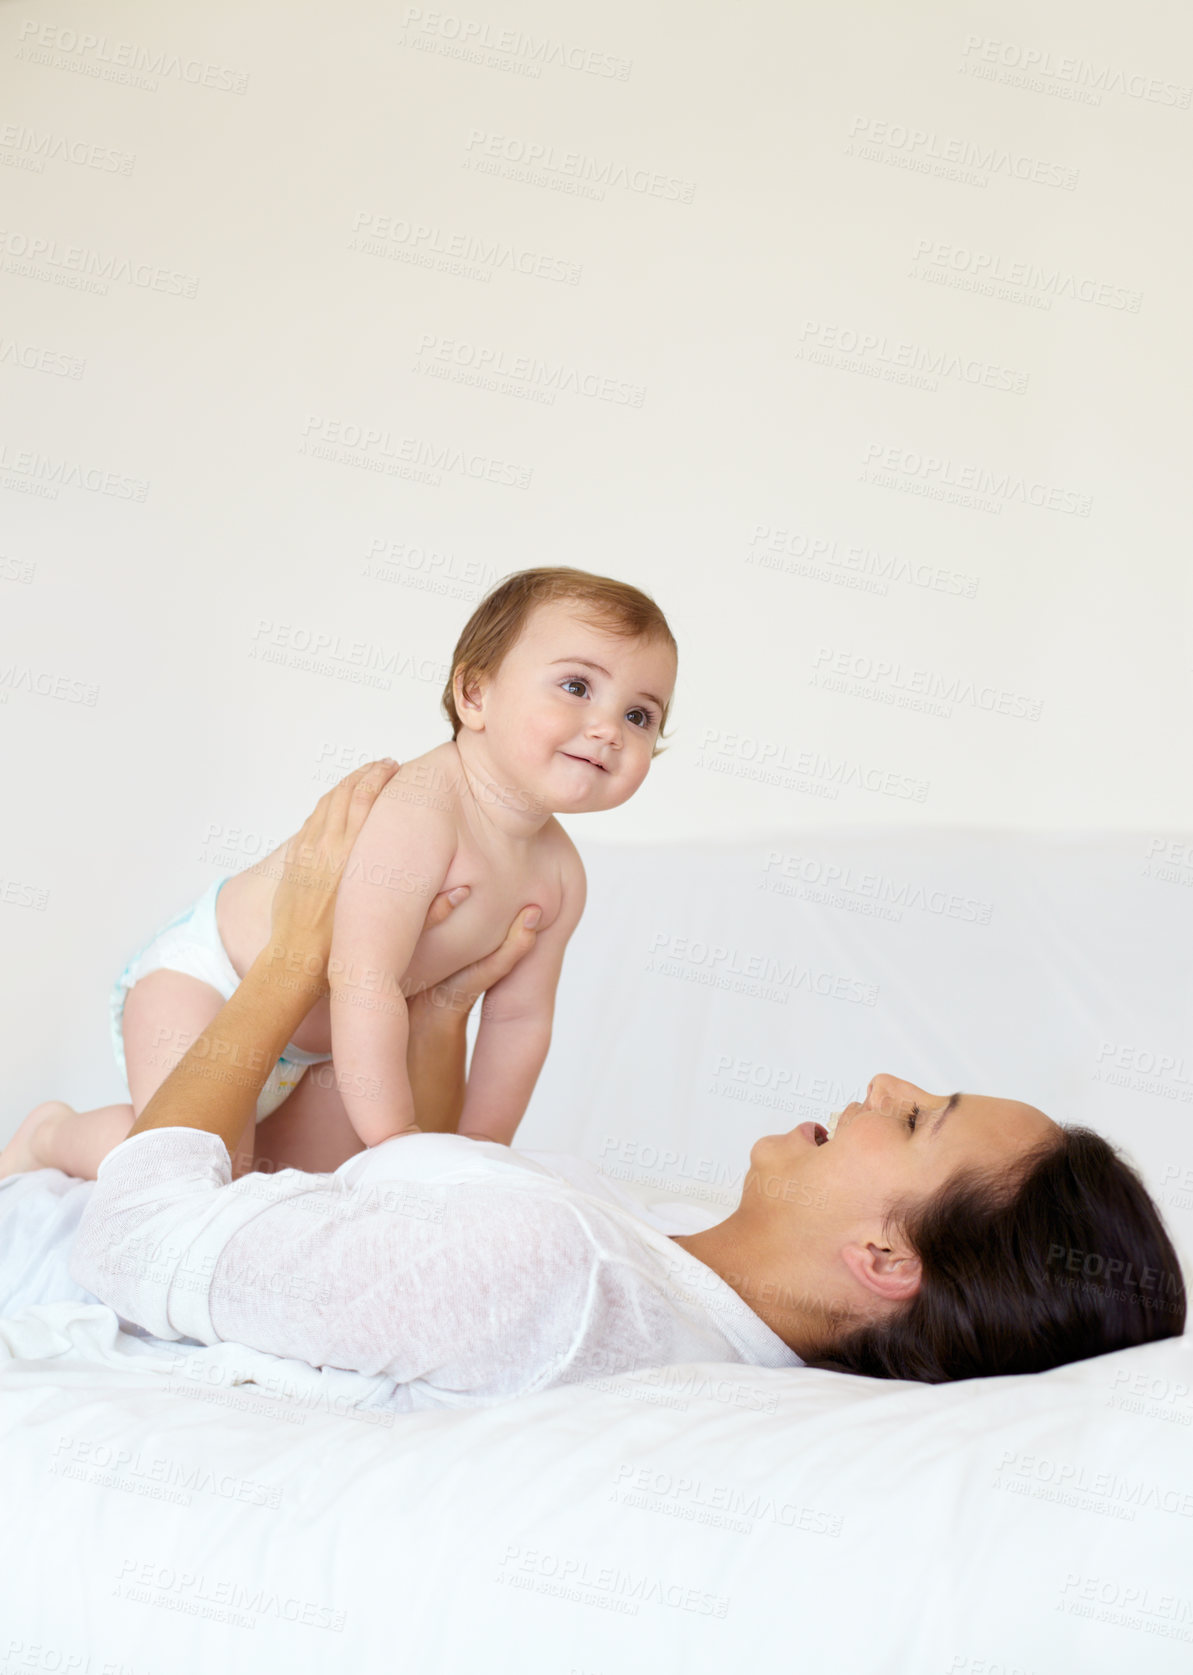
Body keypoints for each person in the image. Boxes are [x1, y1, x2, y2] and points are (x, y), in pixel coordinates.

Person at [20, 760, 1176, 1403]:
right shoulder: (658, 1253)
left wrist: (289, 958)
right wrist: (437, 1011)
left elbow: (139, 1243)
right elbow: (402, 1185)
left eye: (918, 1119)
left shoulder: (556, 1277)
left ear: (885, 1260)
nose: (881, 1079)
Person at [33, 567, 678, 1181]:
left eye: (639, 715)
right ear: (475, 695)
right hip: (214, 986)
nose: (609, 730)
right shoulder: (423, 810)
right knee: (198, 1174)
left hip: (326, 1046)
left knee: (306, 1187)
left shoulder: (560, 877)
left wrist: (479, 1155)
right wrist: (396, 1142)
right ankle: (53, 1135)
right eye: (576, 687)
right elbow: (363, 976)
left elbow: (519, 1021)